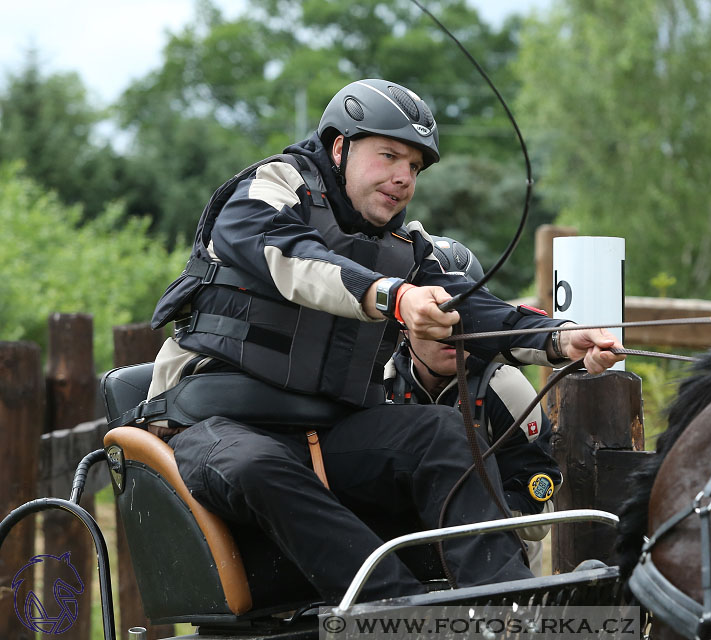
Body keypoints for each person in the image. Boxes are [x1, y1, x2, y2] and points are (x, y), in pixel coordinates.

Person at [146, 78, 625, 602]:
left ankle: (508, 612)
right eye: (389, 155)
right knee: (258, 463)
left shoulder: (407, 248)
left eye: (415, 166)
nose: (403, 177)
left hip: (329, 434)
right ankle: (403, 620)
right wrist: (394, 296)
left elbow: (474, 307)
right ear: (339, 147)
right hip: (212, 428)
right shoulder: (268, 190)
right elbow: (293, 258)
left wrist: (561, 338)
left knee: (445, 432)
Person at [383, 237, 560, 576]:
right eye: (437, 315)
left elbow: (538, 515)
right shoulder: (382, 383)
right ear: (406, 323)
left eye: (466, 313)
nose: (453, 325)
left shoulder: (505, 388)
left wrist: (459, 511)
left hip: (499, 575)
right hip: (408, 572)